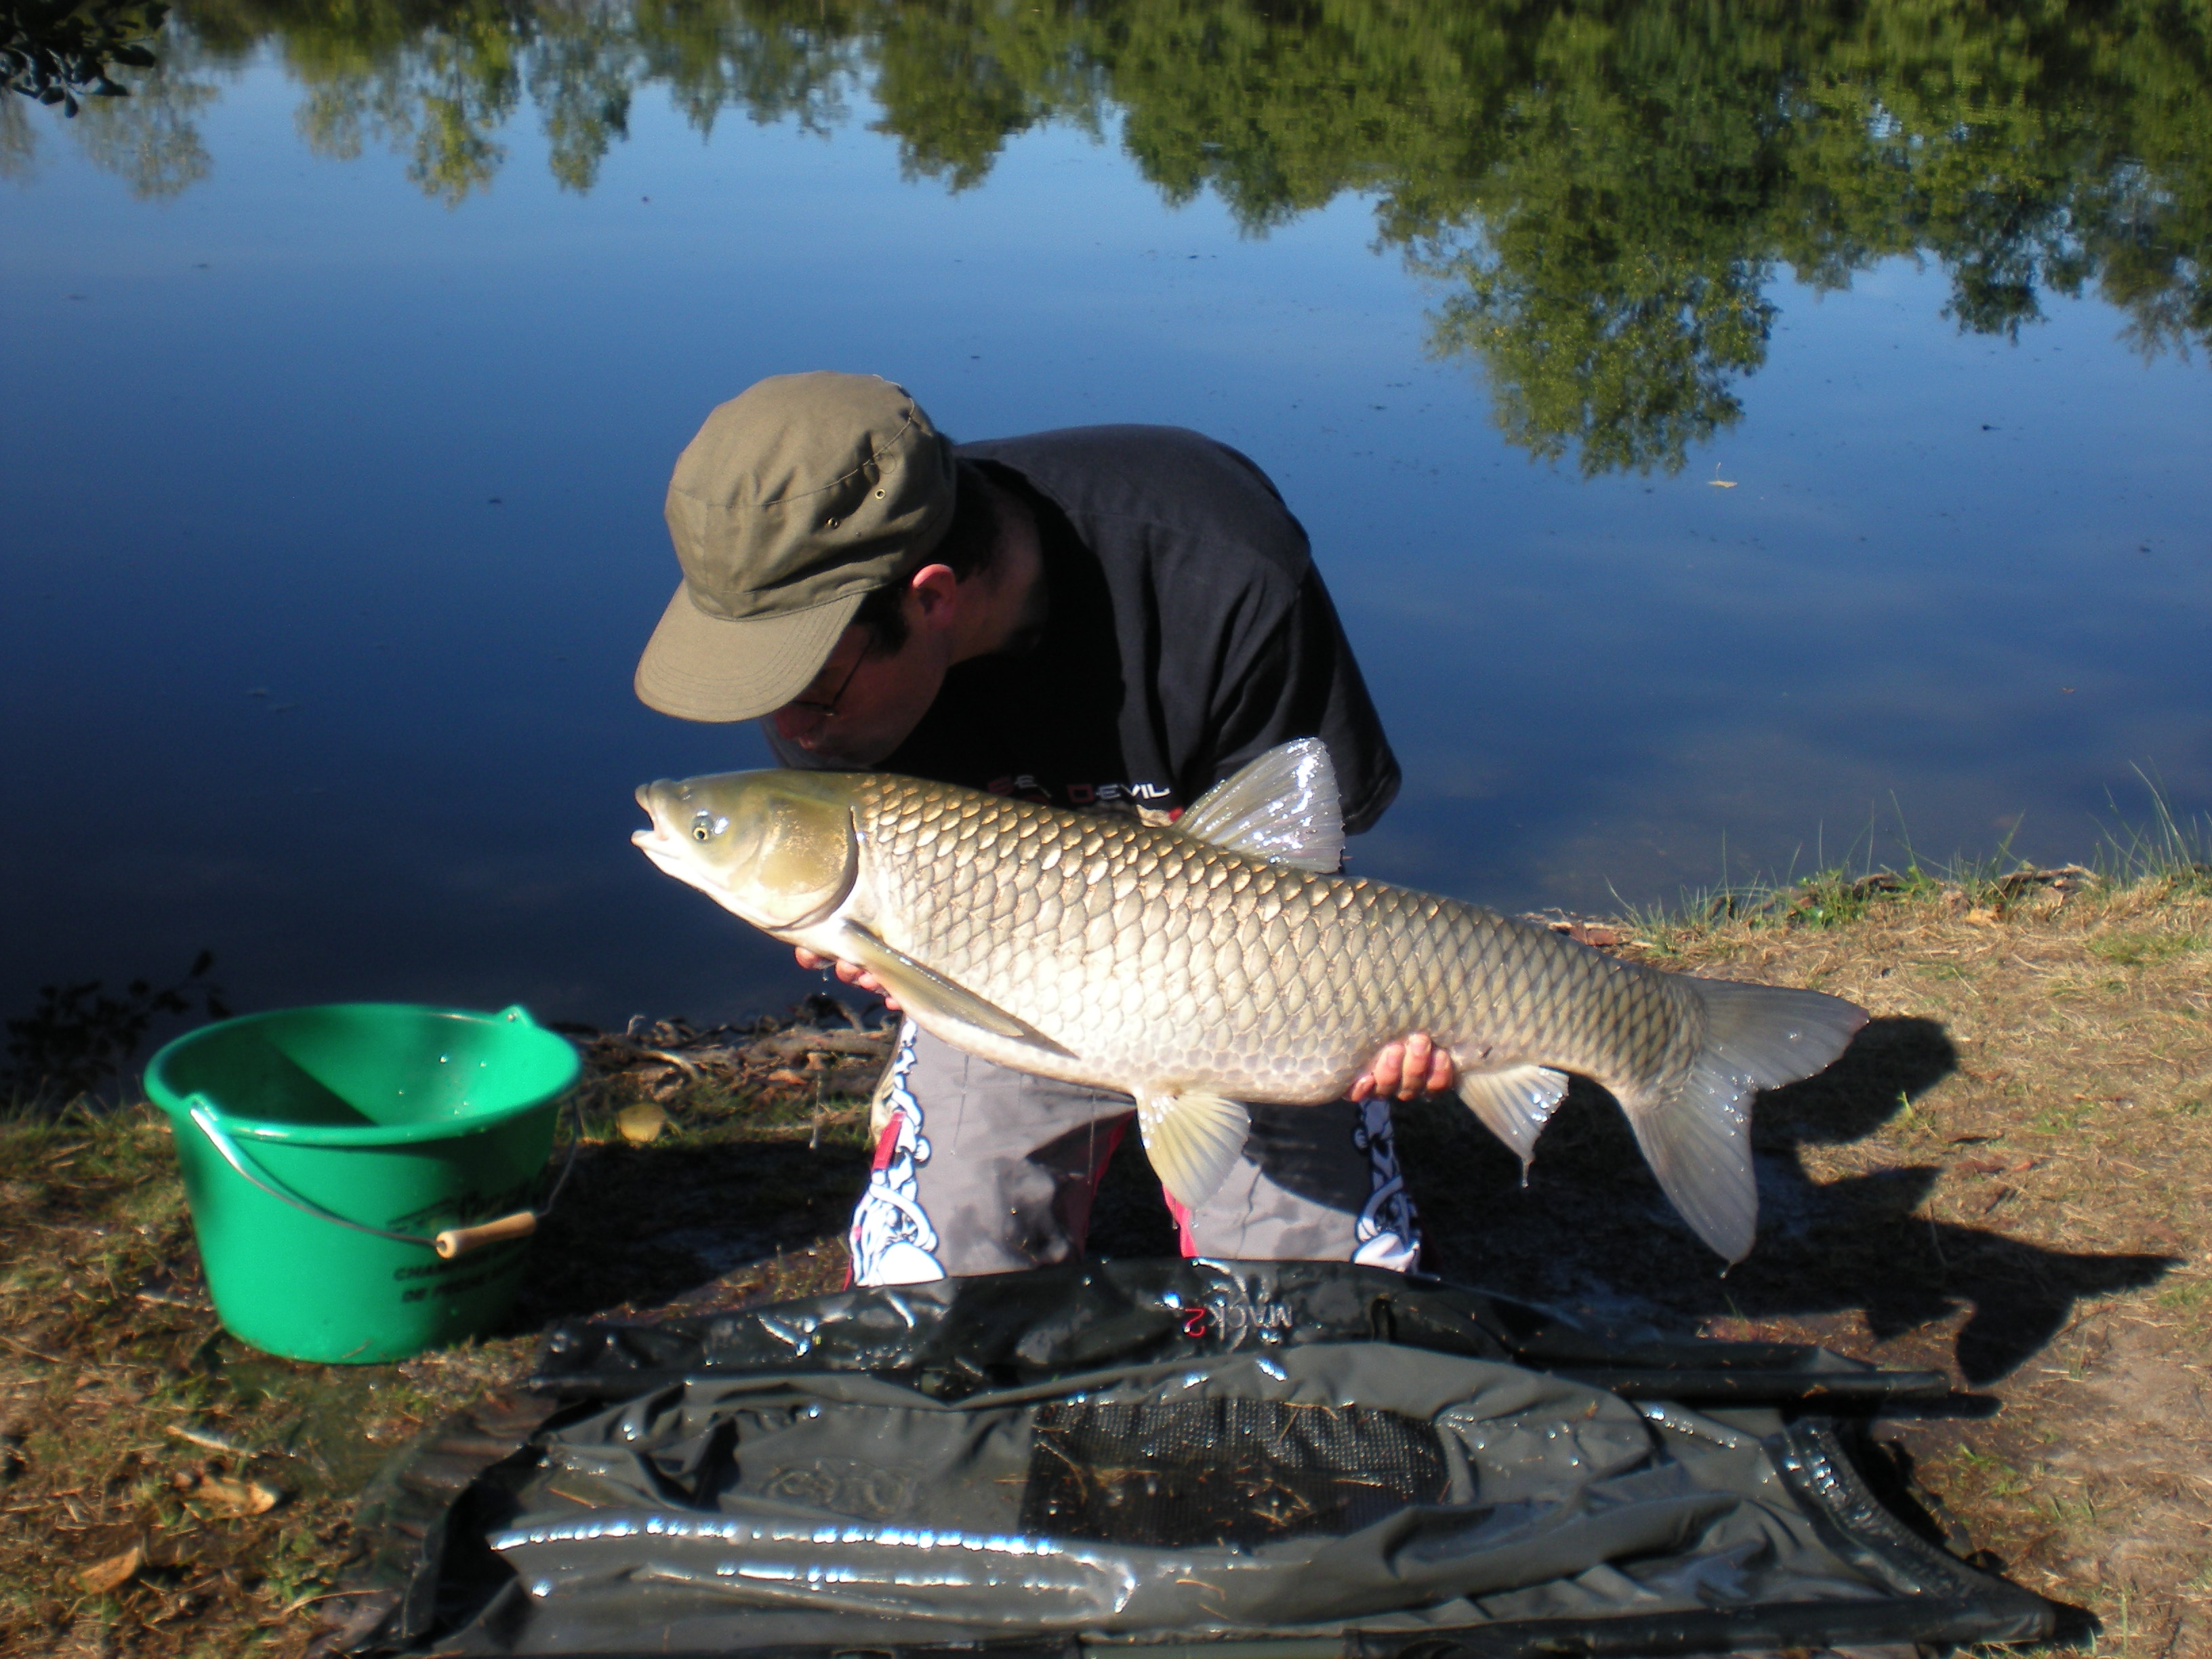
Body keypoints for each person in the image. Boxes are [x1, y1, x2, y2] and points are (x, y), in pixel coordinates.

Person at [635, 371, 1456, 1286]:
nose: (790, 729)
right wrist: (861, 945)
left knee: (1328, 1312)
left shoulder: (1223, 568)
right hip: (1006, 979)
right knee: (932, 1289)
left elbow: (1295, 862)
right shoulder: (821, 650)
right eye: (764, 686)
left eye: (810, 690)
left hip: (1249, 978)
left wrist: (1383, 1021)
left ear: (933, 597)